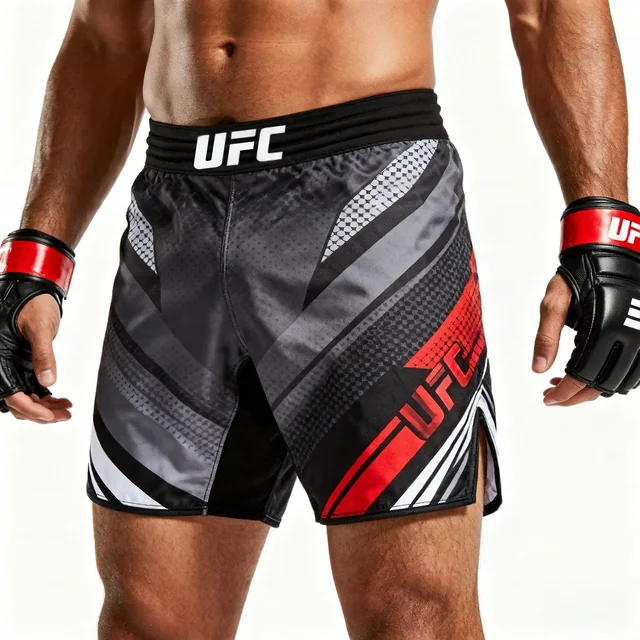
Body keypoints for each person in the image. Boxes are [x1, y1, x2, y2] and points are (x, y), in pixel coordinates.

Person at [0, 0, 638, 638]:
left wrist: (606, 230)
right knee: (145, 621)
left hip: (373, 205)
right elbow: (104, 36)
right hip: (175, 222)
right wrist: (35, 261)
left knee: (414, 615)